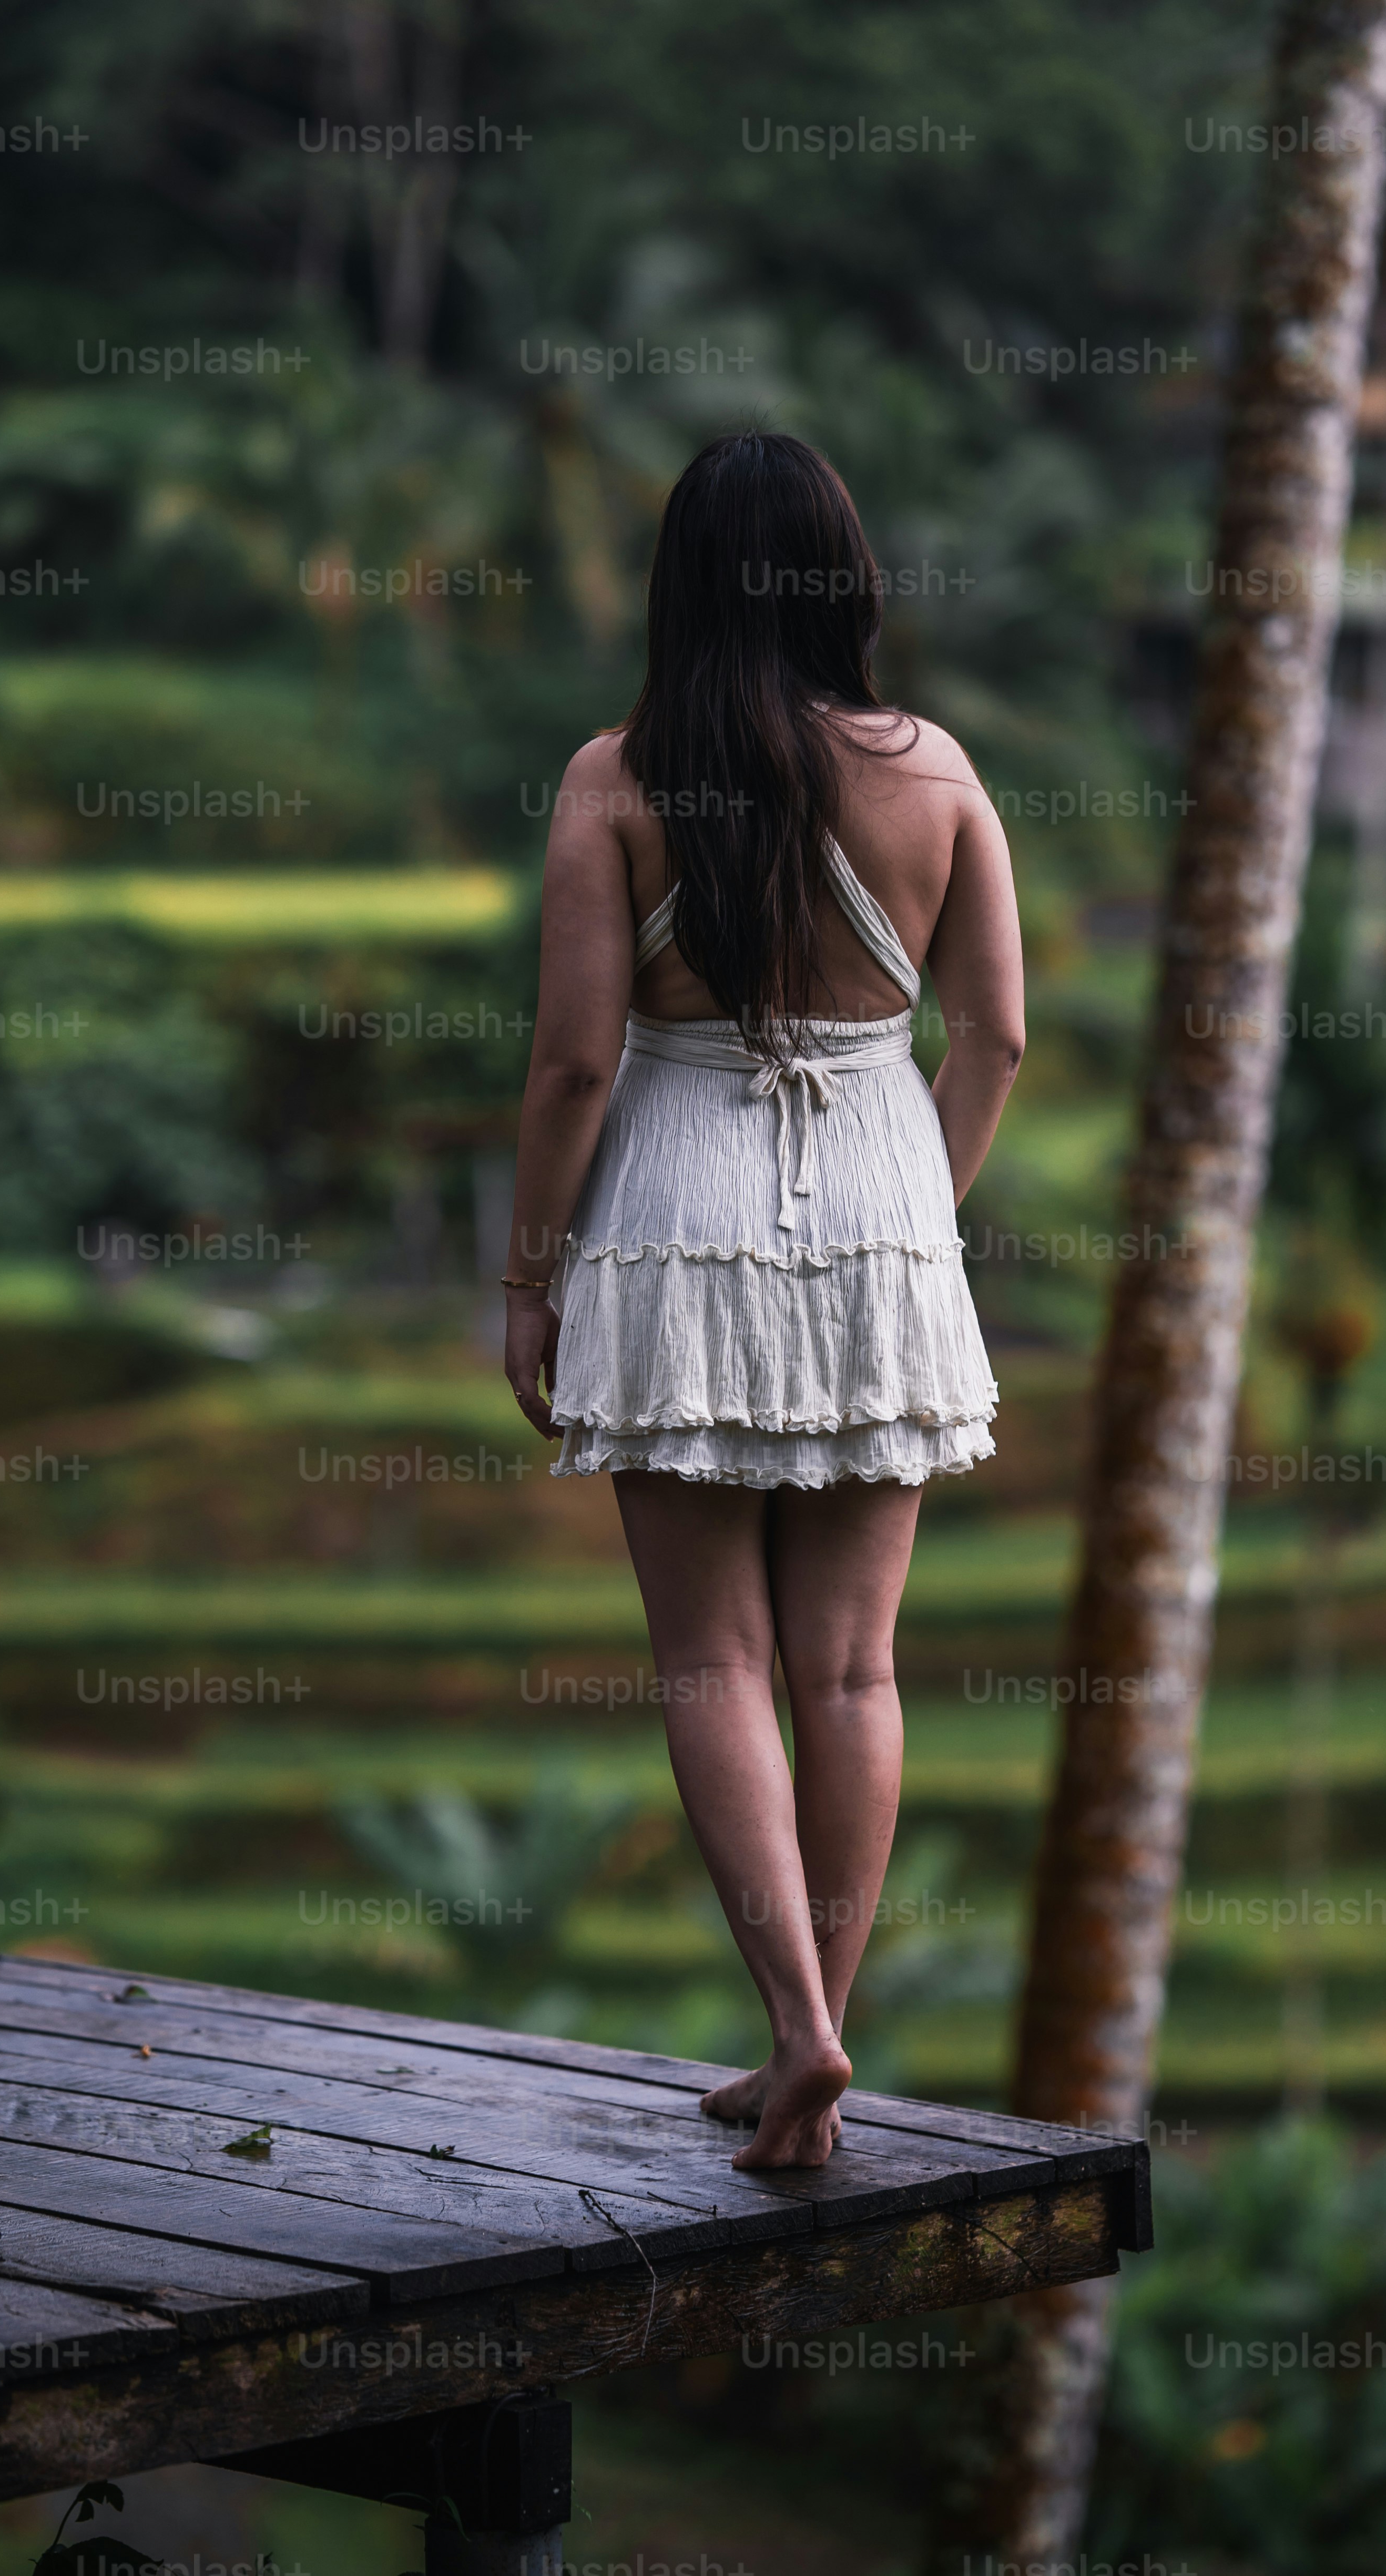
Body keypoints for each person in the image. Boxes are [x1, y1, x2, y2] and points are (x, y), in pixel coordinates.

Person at [502, 432, 1024, 2170]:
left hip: (672, 1211)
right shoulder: (936, 769)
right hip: (881, 1204)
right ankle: (821, 2026)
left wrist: (528, 1282)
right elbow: (998, 1036)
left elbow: (580, 1061)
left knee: (712, 1657)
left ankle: (794, 2028)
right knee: (852, 1669)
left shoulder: (615, 775)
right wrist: (904, 1223)